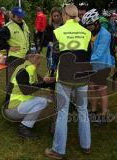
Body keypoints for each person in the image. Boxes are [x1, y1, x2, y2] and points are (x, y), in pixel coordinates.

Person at [44, 4, 92, 159]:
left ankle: (58, 150)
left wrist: (51, 73)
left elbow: (55, 57)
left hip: (65, 77)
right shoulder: (86, 32)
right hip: (82, 76)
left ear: (64, 15)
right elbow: (88, 55)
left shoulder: (58, 32)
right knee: (83, 110)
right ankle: (86, 145)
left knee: (63, 112)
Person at [4, 54, 55, 138]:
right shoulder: (23, 70)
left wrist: (50, 81)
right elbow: (26, 90)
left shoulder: (30, 69)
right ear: (29, 58)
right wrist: (45, 83)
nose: (39, 60)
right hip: (12, 110)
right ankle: (24, 127)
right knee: (43, 101)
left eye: (39, 57)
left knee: (45, 99)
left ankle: (25, 122)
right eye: (36, 57)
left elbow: (42, 83)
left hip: (18, 106)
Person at [82, 9, 115, 125]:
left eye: (89, 25)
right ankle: (93, 110)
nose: (88, 27)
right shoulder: (90, 33)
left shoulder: (105, 35)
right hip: (93, 65)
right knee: (91, 88)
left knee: (101, 89)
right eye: (86, 25)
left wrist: (85, 62)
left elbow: (99, 53)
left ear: (96, 23)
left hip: (103, 65)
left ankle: (104, 114)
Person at [0, 6, 30, 104]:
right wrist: (8, 47)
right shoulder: (8, 27)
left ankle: (22, 101)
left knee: (24, 80)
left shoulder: (24, 24)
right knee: (11, 82)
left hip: (25, 57)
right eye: (18, 16)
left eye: (21, 16)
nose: (20, 18)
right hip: (14, 58)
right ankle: (7, 102)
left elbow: (27, 39)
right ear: (12, 16)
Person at [43, 7, 63, 76]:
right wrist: (49, 43)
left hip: (61, 49)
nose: (56, 17)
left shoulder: (64, 25)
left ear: (61, 16)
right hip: (51, 49)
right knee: (51, 66)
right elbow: (45, 38)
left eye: (58, 16)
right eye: (54, 16)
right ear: (52, 17)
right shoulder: (49, 26)